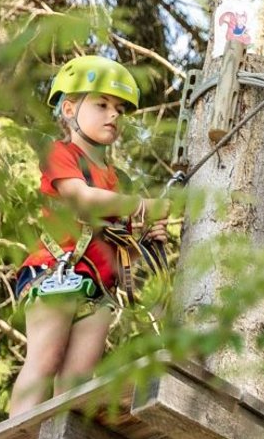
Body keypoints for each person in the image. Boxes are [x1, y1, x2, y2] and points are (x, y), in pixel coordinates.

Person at [10, 55, 166, 415]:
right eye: (101, 105)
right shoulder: (60, 153)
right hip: (55, 274)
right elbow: (81, 199)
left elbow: (123, 248)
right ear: (69, 109)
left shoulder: (119, 181)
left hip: (99, 289)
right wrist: (142, 206)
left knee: (78, 379)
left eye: (119, 110)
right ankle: (16, 435)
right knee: (45, 361)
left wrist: (146, 237)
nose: (113, 115)